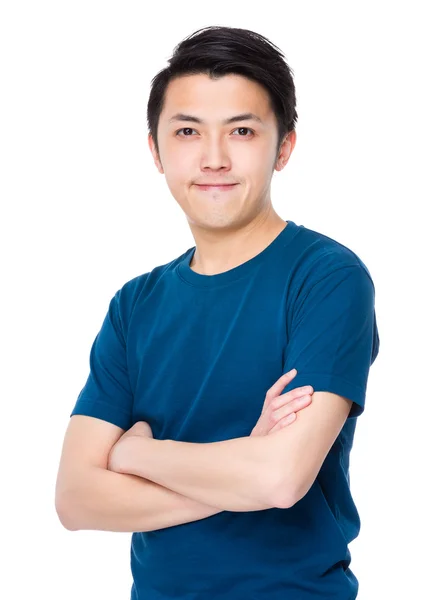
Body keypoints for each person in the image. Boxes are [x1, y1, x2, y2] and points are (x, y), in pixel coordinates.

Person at [55, 25, 380, 599]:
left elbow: (280, 480)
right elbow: (76, 499)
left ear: (284, 147)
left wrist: (138, 454)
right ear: (155, 150)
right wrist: (240, 471)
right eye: (187, 131)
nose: (213, 158)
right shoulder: (136, 304)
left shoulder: (326, 278)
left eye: (242, 130)